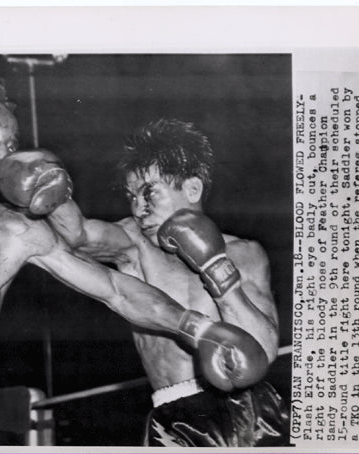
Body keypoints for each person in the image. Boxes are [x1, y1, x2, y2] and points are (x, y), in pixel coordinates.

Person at [0, 82, 269, 445]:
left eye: (10, 146)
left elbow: (115, 290)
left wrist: (200, 328)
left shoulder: (15, 233)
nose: (1, 157)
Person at [24, 118, 290, 447]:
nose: (138, 208)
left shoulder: (245, 253)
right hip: (174, 418)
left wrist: (216, 268)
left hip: (252, 413)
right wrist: (50, 187)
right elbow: (79, 235)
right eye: (131, 196)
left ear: (192, 189)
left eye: (149, 193)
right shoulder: (134, 244)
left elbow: (262, 350)